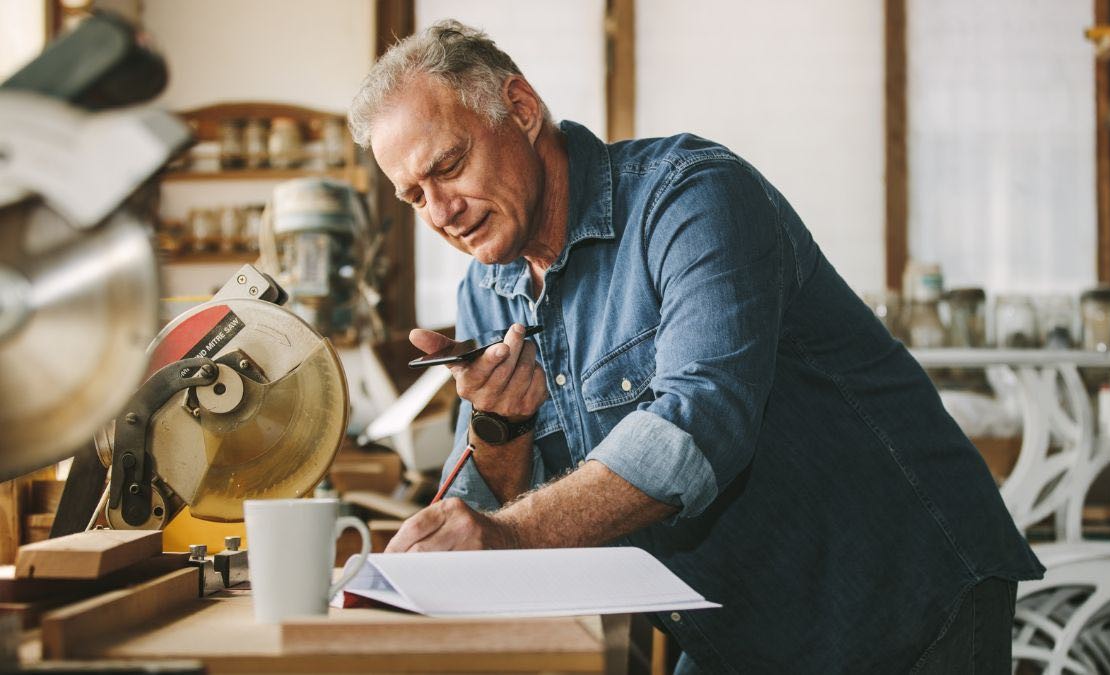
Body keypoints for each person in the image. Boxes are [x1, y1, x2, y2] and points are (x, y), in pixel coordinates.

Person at [348, 20, 1043, 674]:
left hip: (899, 589)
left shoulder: (692, 196)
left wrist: (505, 536)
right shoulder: (487, 291)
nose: (441, 212)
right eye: (414, 196)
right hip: (737, 622)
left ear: (522, 109)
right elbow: (530, 498)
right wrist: (501, 430)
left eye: (449, 165)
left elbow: (701, 422)